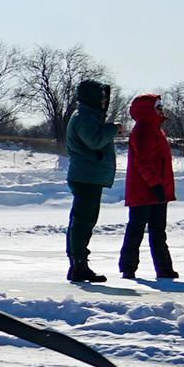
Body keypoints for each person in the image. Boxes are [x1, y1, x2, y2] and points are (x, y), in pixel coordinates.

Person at [119, 93, 179, 280]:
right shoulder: (144, 130)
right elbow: (143, 162)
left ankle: (164, 269)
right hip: (144, 191)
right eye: (157, 107)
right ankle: (128, 268)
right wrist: (155, 185)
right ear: (147, 110)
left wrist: (160, 187)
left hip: (157, 189)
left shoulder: (156, 129)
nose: (161, 110)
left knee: (158, 231)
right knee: (137, 229)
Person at [63, 79, 117, 283]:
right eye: (101, 97)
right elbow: (94, 141)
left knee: (83, 221)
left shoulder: (89, 116)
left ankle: (78, 264)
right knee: (83, 221)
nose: (104, 101)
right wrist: (112, 129)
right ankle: (78, 265)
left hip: (88, 176)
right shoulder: (85, 117)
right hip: (85, 177)